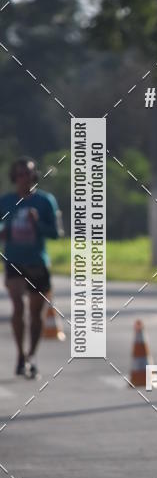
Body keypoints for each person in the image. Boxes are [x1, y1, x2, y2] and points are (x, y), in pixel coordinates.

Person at [0, 157, 62, 378]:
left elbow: (56, 233)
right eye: (19, 174)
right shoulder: (6, 201)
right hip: (14, 261)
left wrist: (38, 224)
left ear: (34, 175)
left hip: (37, 263)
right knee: (18, 307)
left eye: (27, 174)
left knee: (36, 314)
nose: (23, 178)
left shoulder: (45, 201)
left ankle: (32, 354)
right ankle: (20, 354)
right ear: (14, 177)